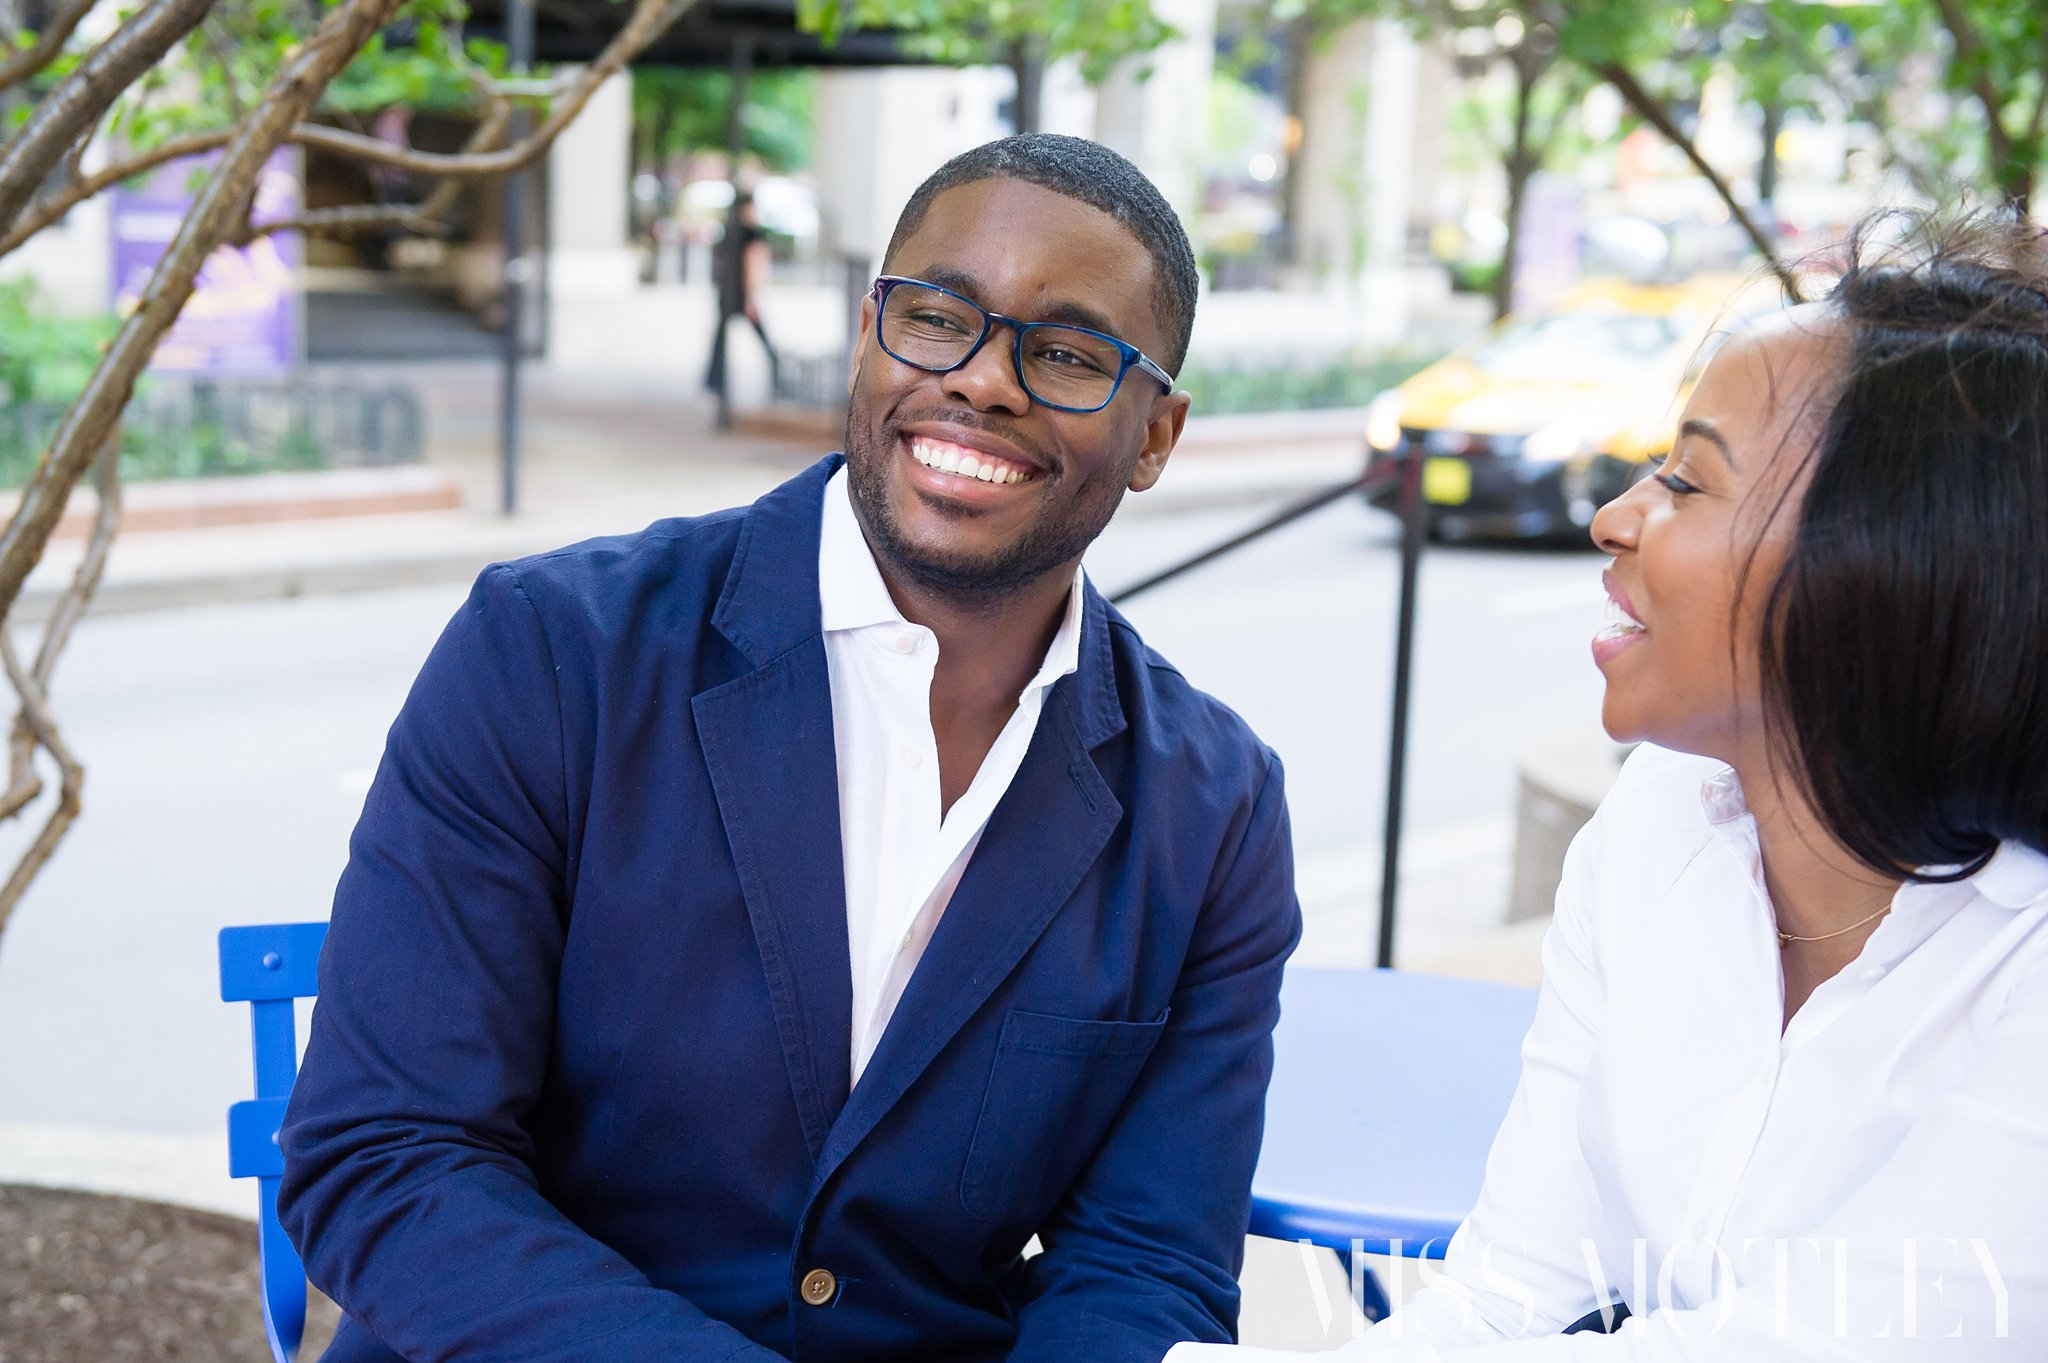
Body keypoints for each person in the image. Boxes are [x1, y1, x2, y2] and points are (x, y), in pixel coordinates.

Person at [279, 133, 1302, 1363]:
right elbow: (387, 1157)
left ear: (1155, 436)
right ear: (869, 333)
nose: (982, 381)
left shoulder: (1214, 809)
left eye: (1070, 354)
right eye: (936, 317)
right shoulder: (553, 651)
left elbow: (1145, 1264)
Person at [1172, 215, 2048, 1361]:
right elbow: (1506, 1284)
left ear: (1891, 566)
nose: (1613, 516)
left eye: (1685, 481)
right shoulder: (1654, 822)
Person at [706, 189, 780, 420]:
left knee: (722, 341)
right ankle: (777, 374)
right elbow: (754, 266)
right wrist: (750, 297)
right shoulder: (750, 233)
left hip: (731, 296)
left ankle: (713, 382)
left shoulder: (733, 232)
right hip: (738, 296)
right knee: (729, 341)